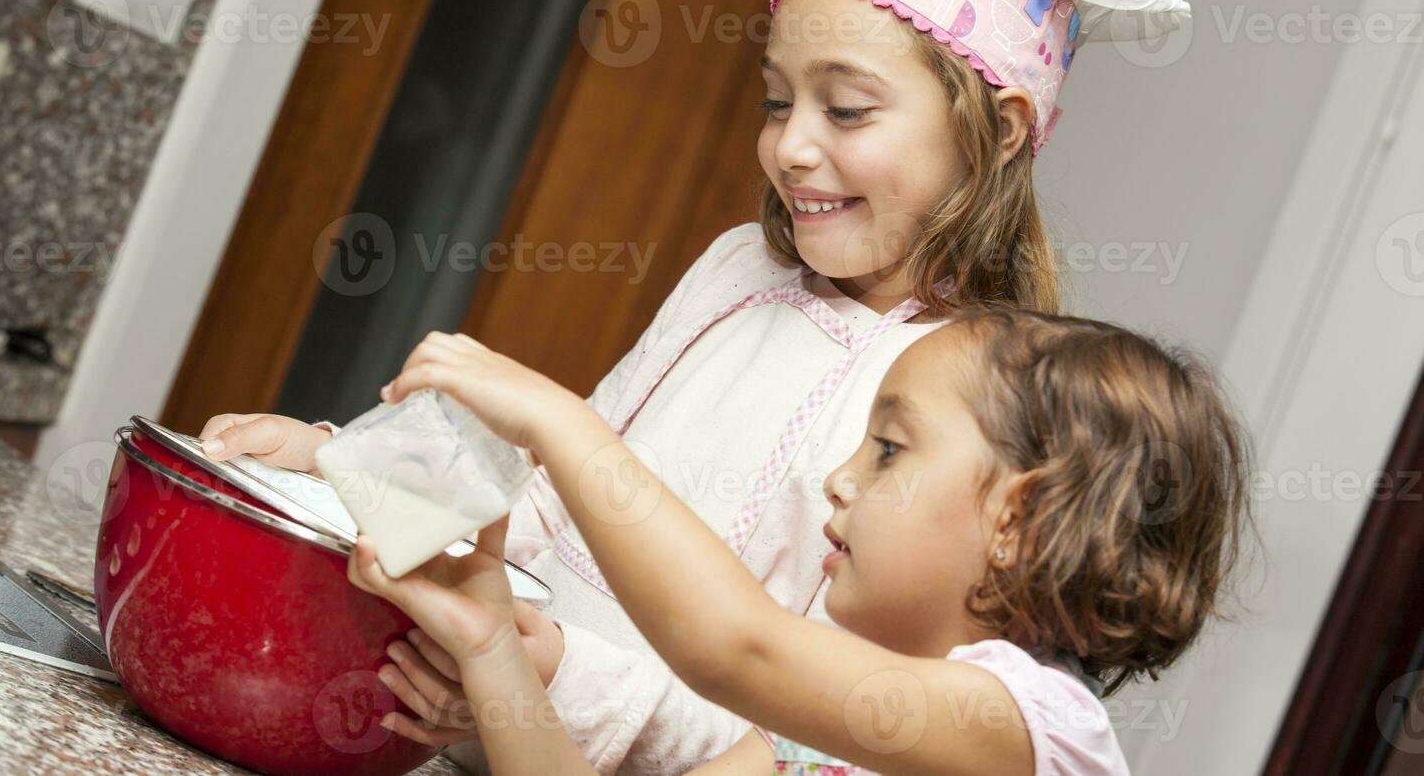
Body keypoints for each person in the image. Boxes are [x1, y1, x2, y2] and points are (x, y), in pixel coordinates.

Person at [199, 0, 1191, 769]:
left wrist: (550, 666)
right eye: (775, 97)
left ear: (1003, 129)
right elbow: (549, 499)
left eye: (846, 108)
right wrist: (348, 472)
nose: (791, 144)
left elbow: (774, 705)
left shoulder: (947, 411)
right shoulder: (737, 267)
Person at [348, 311, 1252, 775]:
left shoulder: (1029, 728)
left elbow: (732, 645)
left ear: (1015, 520)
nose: (840, 477)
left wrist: (561, 425)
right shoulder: (822, 733)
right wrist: (490, 644)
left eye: (890, 449)